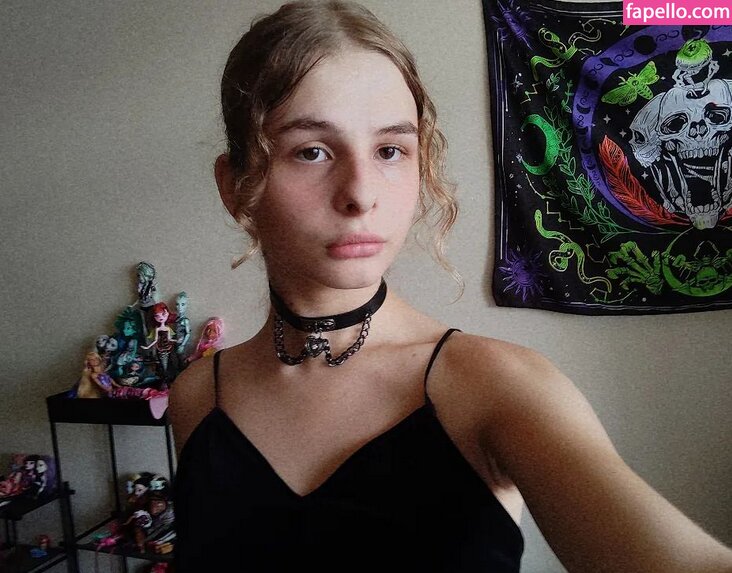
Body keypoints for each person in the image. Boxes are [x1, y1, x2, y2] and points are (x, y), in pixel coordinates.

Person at [169, 1, 732, 571]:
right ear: (236, 186)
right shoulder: (197, 397)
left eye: (390, 150)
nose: (361, 193)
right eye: (311, 152)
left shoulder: (498, 388)